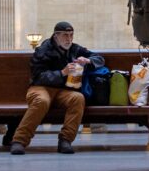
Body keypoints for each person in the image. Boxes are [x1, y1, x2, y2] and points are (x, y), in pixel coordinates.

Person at [8, 22, 91, 155]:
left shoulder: (75, 49)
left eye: (71, 35)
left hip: (62, 91)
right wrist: (62, 73)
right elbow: (38, 77)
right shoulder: (43, 50)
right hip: (40, 88)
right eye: (65, 35)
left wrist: (88, 61)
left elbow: (98, 58)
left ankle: (65, 140)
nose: (69, 39)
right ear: (56, 36)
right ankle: (19, 141)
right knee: (42, 101)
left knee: (78, 98)